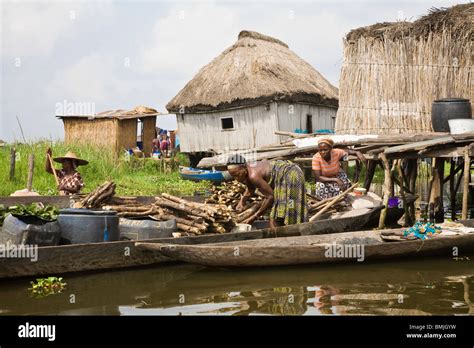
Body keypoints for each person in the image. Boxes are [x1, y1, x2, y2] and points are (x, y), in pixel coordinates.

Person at [227, 155, 308, 228]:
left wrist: (255, 216)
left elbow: (270, 197)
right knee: (277, 215)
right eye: (233, 176)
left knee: (289, 208)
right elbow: (250, 189)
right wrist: (242, 200)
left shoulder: (253, 175)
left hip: (291, 174)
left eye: (237, 174)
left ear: (244, 167)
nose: (236, 179)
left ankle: (294, 233)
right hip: (285, 176)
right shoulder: (247, 171)